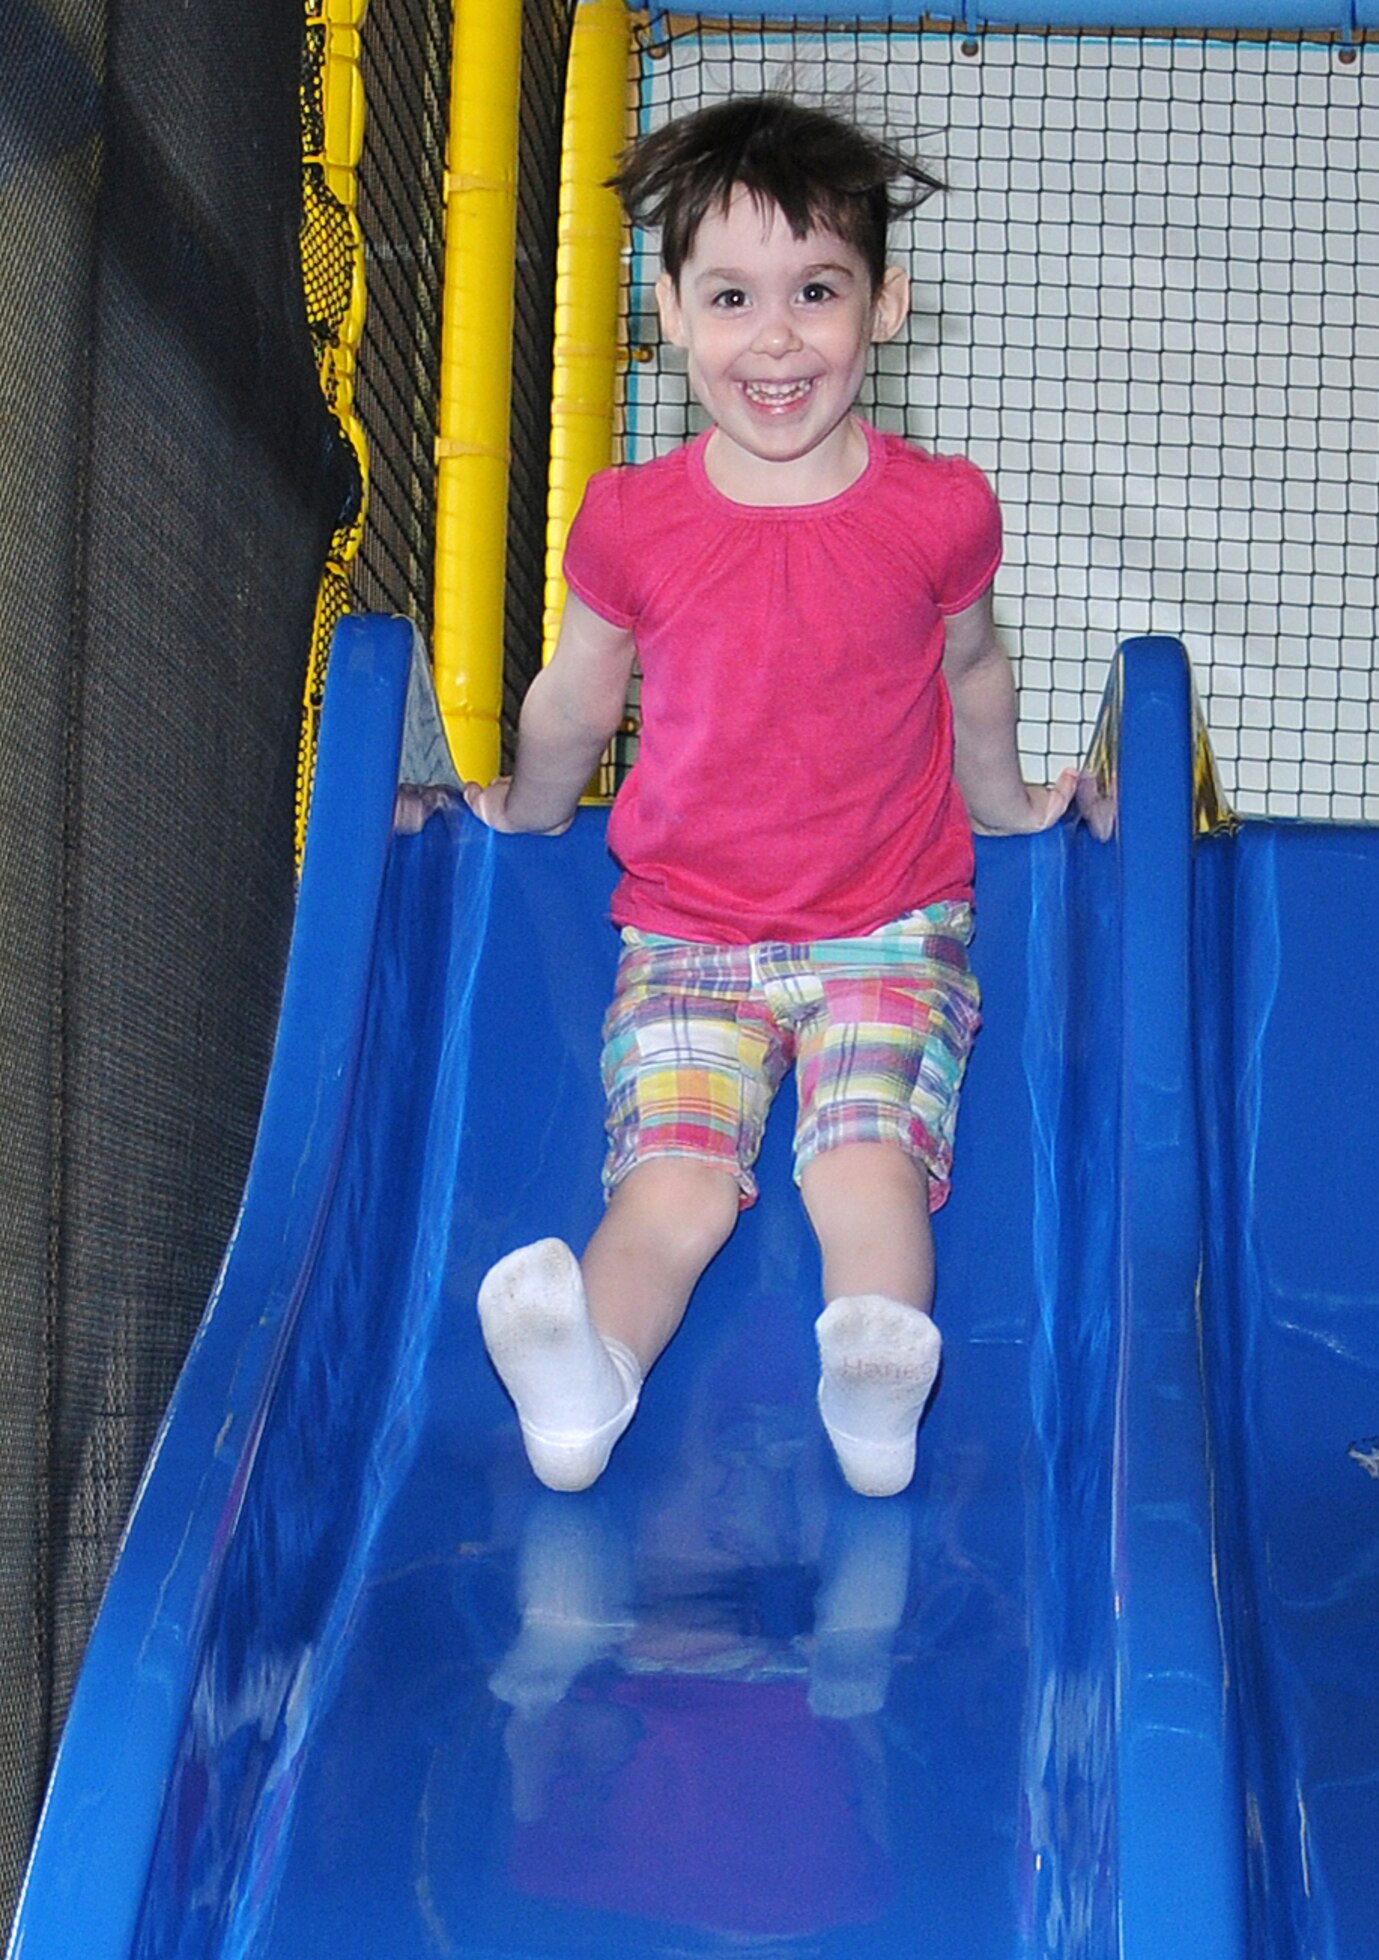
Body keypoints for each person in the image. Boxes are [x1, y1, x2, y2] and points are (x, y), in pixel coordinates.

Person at [467, 94, 1075, 1498]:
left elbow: (972, 674)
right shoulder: (632, 518)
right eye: (732, 297)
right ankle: (584, 1387)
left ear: (889, 305)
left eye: (818, 291)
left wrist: (1006, 807)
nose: (778, 336)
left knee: (862, 1166)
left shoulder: (940, 510)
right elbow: (576, 695)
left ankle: (876, 1383)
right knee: (667, 1185)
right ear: (670, 315)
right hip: (689, 935)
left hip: (889, 925)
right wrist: (525, 805)